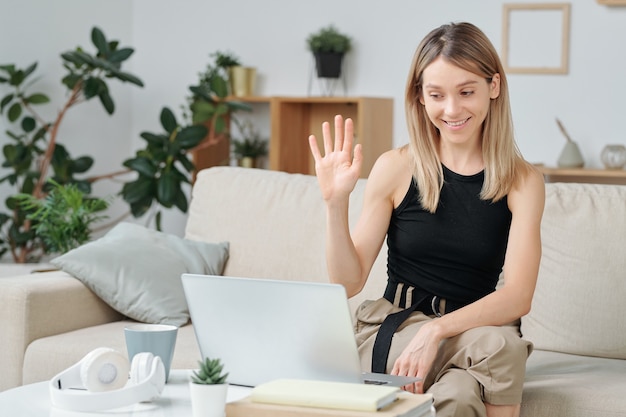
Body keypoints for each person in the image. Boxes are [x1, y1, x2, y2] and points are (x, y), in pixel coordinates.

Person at [308, 22, 545, 417]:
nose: (451, 110)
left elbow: (519, 296)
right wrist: (335, 204)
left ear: (494, 86)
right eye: (436, 95)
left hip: (471, 332)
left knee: (464, 392)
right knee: (501, 349)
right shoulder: (396, 168)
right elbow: (346, 282)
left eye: (466, 91)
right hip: (397, 329)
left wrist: (437, 330)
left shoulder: (522, 182)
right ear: (419, 97)